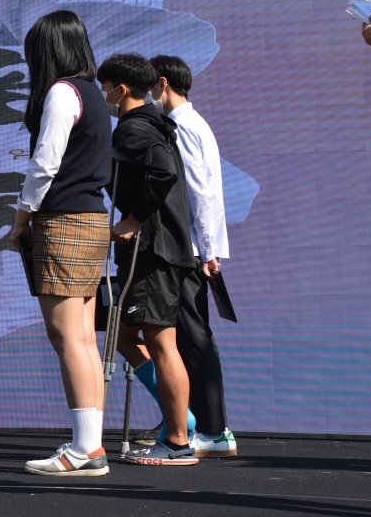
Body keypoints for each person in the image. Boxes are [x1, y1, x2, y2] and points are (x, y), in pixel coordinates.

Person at [8, 10, 112, 477]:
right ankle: (90, 444)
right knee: (82, 337)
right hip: (92, 217)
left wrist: (20, 219)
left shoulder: (62, 91)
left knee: (67, 335)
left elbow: (44, 163)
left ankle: (85, 449)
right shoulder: (93, 92)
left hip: (63, 219)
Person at [117, 55, 237, 457]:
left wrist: (205, 249)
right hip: (189, 245)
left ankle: (210, 428)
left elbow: (197, 191)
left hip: (181, 248)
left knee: (189, 337)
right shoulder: (189, 123)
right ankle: (193, 423)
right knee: (184, 335)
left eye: (152, 83)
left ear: (162, 83)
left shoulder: (181, 126)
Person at [99, 53, 199, 466]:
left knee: (162, 343)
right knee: (119, 334)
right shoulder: (149, 125)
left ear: (121, 89)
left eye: (104, 89)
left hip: (153, 249)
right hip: (154, 250)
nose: (101, 96)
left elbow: (162, 173)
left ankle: (178, 441)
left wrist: (133, 219)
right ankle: (183, 420)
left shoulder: (135, 129)